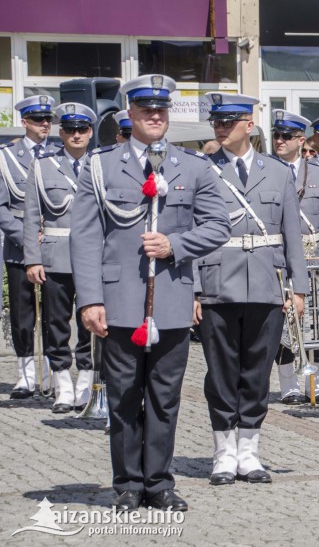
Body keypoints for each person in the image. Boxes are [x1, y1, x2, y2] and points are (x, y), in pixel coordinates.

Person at [71, 74, 230, 511]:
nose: (155, 116)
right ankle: (126, 483)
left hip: (173, 303)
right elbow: (85, 237)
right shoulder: (100, 166)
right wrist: (90, 299)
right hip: (119, 302)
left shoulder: (194, 166)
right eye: (145, 109)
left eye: (161, 109)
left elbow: (220, 225)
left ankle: (159, 482)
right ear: (130, 113)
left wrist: (176, 245)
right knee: (123, 397)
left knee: (164, 397)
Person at [196, 93, 308, 486]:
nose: (221, 129)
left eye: (229, 122)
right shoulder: (201, 170)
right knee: (222, 371)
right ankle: (224, 452)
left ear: (249, 124)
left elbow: (291, 234)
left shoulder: (278, 172)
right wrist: (194, 290)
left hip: (267, 283)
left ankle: (250, 450)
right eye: (216, 123)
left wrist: (299, 287)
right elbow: (190, 233)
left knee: (258, 371)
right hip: (217, 283)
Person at [24, 103, 97, 414]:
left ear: (91, 132)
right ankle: (63, 384)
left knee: (90, 323)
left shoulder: (102, 165)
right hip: (56, 256)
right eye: (69, 129)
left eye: (82, 129)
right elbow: (30, 217)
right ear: (61, 132)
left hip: (94, 257)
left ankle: (86, 382)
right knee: (56, 323)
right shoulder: (43, 167)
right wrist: (32, 259)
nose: (76, 135)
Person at [269, 109, 319, 405]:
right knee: (285, 325)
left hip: (314, 259)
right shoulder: (266, 170)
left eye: (286, 136)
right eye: (276, 135)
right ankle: (288, 384)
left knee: (317, 322)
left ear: (300, 141)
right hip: (281, 258)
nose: (279, 141)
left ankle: (315, 383)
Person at [0, 93, 61, 399]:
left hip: (51, 243)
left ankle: (52, 371)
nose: (45, 125)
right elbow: (1, 207)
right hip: (19, 245)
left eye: (48, 119)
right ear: (24, 122)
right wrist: (25, 237)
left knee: (54, 311)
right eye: (38, 120)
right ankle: (25, 374)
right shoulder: (5, 157)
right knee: (23, 312)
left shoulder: (60, 153)